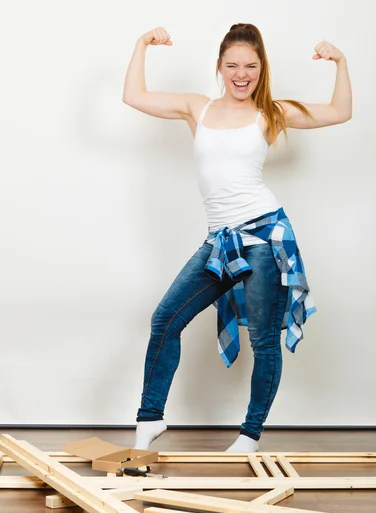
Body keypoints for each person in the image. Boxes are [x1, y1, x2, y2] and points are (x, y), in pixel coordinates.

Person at [122, 24, 352, 452]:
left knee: (263, 341)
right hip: (220, 241)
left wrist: (340, 61)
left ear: (262, 69)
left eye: (250, 66)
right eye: (232, 66)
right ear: (220, 67)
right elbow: (134, 96)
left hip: (265, 237)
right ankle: (150, 418)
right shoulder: (198, 108)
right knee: (165, 320)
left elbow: (340, 111)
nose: (241, 74)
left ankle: (250, 435)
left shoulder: (272, 112)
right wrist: (141, 46)